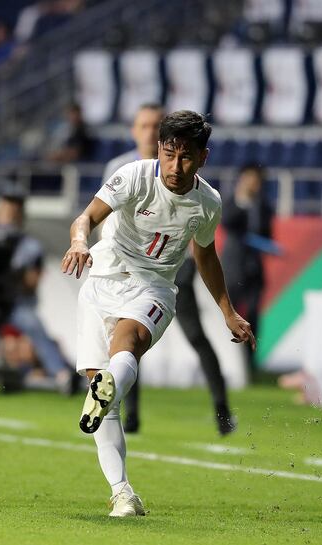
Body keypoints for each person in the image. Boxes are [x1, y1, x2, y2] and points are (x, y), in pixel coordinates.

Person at [62, 110, 255, 517]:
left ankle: (109, 385)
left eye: (186, 157)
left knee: (126, 342)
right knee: (106, 397)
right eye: (169, 154)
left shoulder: (208, 203)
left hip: (154, 288)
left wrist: (228, 312)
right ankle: (122, 493)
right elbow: (87, 217)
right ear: (159, 150)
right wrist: (79, 242)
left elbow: (205, 256)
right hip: (102, 279)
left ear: (203, 157)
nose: (175, 166)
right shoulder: (134, 175)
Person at [102, 103, 235, 435]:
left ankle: (222, 411)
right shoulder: (122, 168)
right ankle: (130, 414)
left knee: (196, 338)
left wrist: (227, 309)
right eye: (143, 125)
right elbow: (102, 215)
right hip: (127, 272)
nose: (148, 131)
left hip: (176, 271)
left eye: (153, 125)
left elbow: (203, 243)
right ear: (135, 131)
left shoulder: (192, 180)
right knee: (129, 343)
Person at [0, 190, 75, 394]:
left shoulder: (29, 245)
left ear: (21, 216)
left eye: (13, 212)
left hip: (15, 303)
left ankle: (62, 375)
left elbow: (33, 281)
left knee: (33, 325)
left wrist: (13, 277)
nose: (9, 216)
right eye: (5, 210)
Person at [221, 164, 274, 378]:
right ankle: (231, 363)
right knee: (230, 315)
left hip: (254, 268)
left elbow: (267, 233)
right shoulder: (232, 201)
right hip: (234, 266)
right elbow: (227, 223)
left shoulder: (263, 206)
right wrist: (243, 203)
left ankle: (249, 364)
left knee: (252, 317)